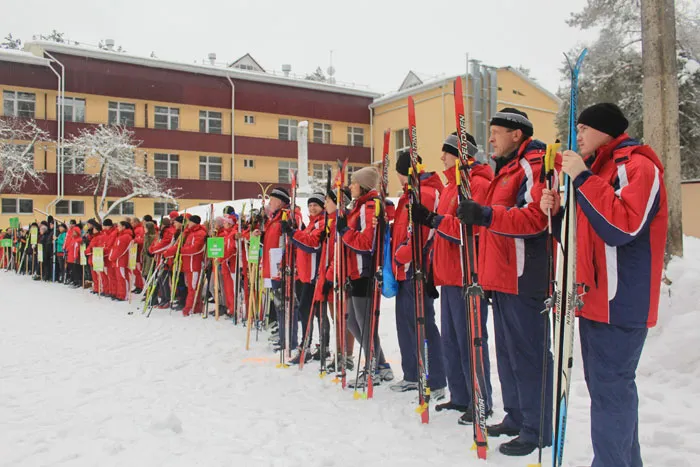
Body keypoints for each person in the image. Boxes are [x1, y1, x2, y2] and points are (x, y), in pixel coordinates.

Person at [540, 103, 668, 467]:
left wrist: (582, 179)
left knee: (612, 391)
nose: (577, 135)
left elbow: (623, 228)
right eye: (576, 128)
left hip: (621, 299)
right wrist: (559, 214)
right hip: (594, 298)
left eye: (584, 128)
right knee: (607, 393)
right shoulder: (600, 170)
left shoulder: (636, 166)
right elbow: (585, 235)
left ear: (606, 131)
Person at [455, 108, 552, 456]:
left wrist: (485, 214)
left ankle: (537, 427)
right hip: (501, 276)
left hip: (524, 278)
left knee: (529, 355)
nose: (491, 138)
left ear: (516, 134)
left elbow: (535, 219)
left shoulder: (533, 165)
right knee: (509, 353)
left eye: (496, 132)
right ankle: (516, 415)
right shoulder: (506, 169)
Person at [412, 133, 494, 423]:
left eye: (446, 152)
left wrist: (434, 219)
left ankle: (480, 398)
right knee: (451, 340)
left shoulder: (478, 184)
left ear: (460, 154)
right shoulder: (451, 187)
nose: (442, 158)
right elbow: (442, 235)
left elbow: (470, 229)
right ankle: (460, 396)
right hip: (449, 276)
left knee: (470, 339)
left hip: (468, 275)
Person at [389, 150, 447, 400]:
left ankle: (435, 379)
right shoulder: (408, 195)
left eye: (400, 174)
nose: (399, 180)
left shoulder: (425, 193)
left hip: (419, 269)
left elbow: (420, 235)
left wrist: (401, 254)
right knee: (405, 324)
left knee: (424, 325)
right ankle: (412, 374)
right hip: (404, 270)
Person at [336, 166, 393, 387]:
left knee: (363, 323)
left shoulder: (369, 206)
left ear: (364, 185)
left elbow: (367, 243)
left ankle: (372, 367)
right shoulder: (358, 206)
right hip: (354, 271)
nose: (351, 186)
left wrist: (344, 231)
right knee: (352, 322)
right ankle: (380, 364)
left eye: (354, 182)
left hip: (364, 271)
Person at [282, 192, 326, 364]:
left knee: (310, 312)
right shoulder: (311, 224)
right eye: (310, 205)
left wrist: (294, 233)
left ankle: (311, 347)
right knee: (307, 312)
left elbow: (312, 244)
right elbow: (303, 242)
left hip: (315, 276)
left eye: (316, 205)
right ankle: (313, 346)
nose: (312, 208)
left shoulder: (321, 223)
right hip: (306, 275)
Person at [179, 215, 207, 316]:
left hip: (194, 264)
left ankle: (189, 307)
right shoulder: (191, 233)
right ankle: (196, 306)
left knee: (193, 288)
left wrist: (181, 251)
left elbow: (195, 248)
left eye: (189, 222)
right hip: (188, 264)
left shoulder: (200, 233)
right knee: (191, 287)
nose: (188, 224)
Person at [109, 221, 135, 301]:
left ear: (124, 227)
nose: (117, 228)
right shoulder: (121, 236)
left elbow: (120, 250)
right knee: (119, 278)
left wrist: (111, 257)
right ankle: (120, 293)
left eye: (119, 226)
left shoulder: (125, 237)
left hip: (121, 260)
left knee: (122, 278)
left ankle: (123, 295)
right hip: (118, 260)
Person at [102, 219, 119, 298]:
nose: (104, 228)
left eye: (105, 226)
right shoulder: (106, 233)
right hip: (106, 255)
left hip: (110, 255)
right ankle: (111, 290)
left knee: (112, 275)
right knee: (109, 275)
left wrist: (104, 250)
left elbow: (110, 245)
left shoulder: (114, 233)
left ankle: (114, 291)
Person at [131, 217, 145, 294]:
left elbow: (141, 240)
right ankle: (138, 285)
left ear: (136, 222)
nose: (131, 224)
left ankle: (141, 286)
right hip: (135, 252)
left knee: (139, 271)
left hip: (138, 252)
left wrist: (135, 240)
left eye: (132, 222)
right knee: (136, 271)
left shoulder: (139, 229)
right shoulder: (136, 229)